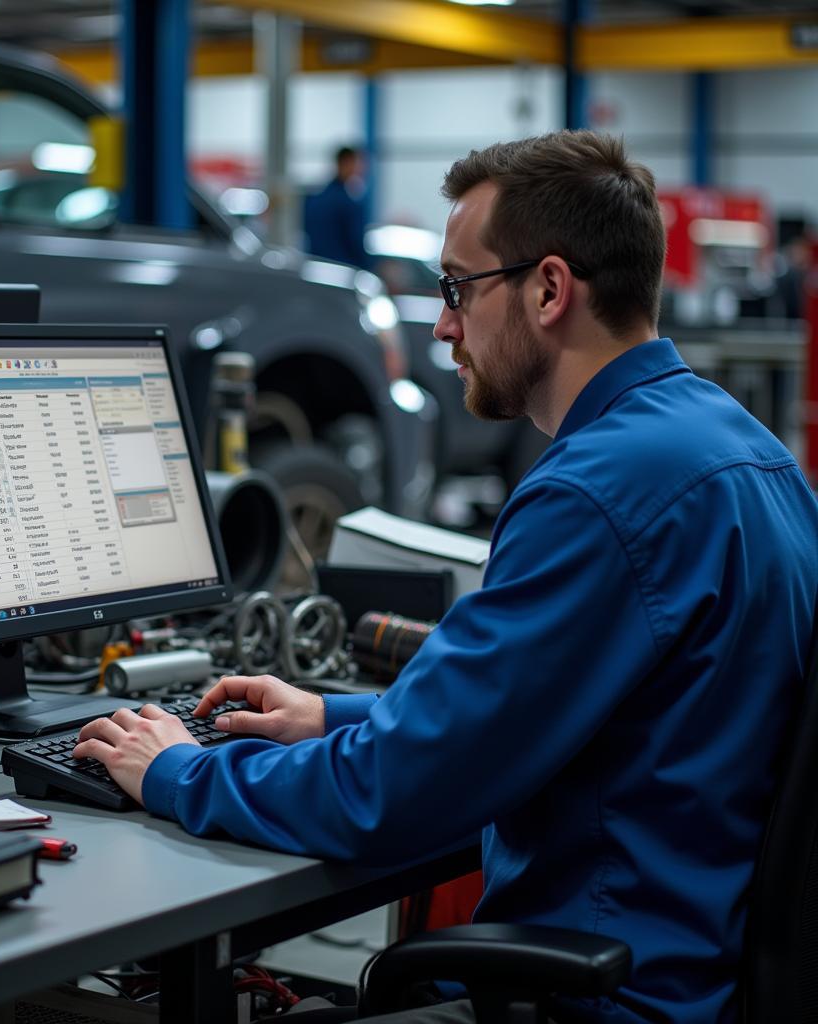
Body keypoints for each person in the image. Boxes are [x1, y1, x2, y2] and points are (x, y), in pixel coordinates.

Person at [74, 131, 818, 1024]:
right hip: (703, 972)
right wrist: (330, 715)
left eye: (458, 287)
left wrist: (178, 773)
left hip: (605, 997)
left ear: (549, 289)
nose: (442, 325)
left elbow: (389, 796)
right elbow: (545, 717)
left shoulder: (598, 495)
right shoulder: (742, 450)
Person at [302, 145, 370, 268]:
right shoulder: (347, 203)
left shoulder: (315, 200)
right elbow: (356, 242)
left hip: (316, 269)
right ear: (346, 163)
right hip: (344, 271)